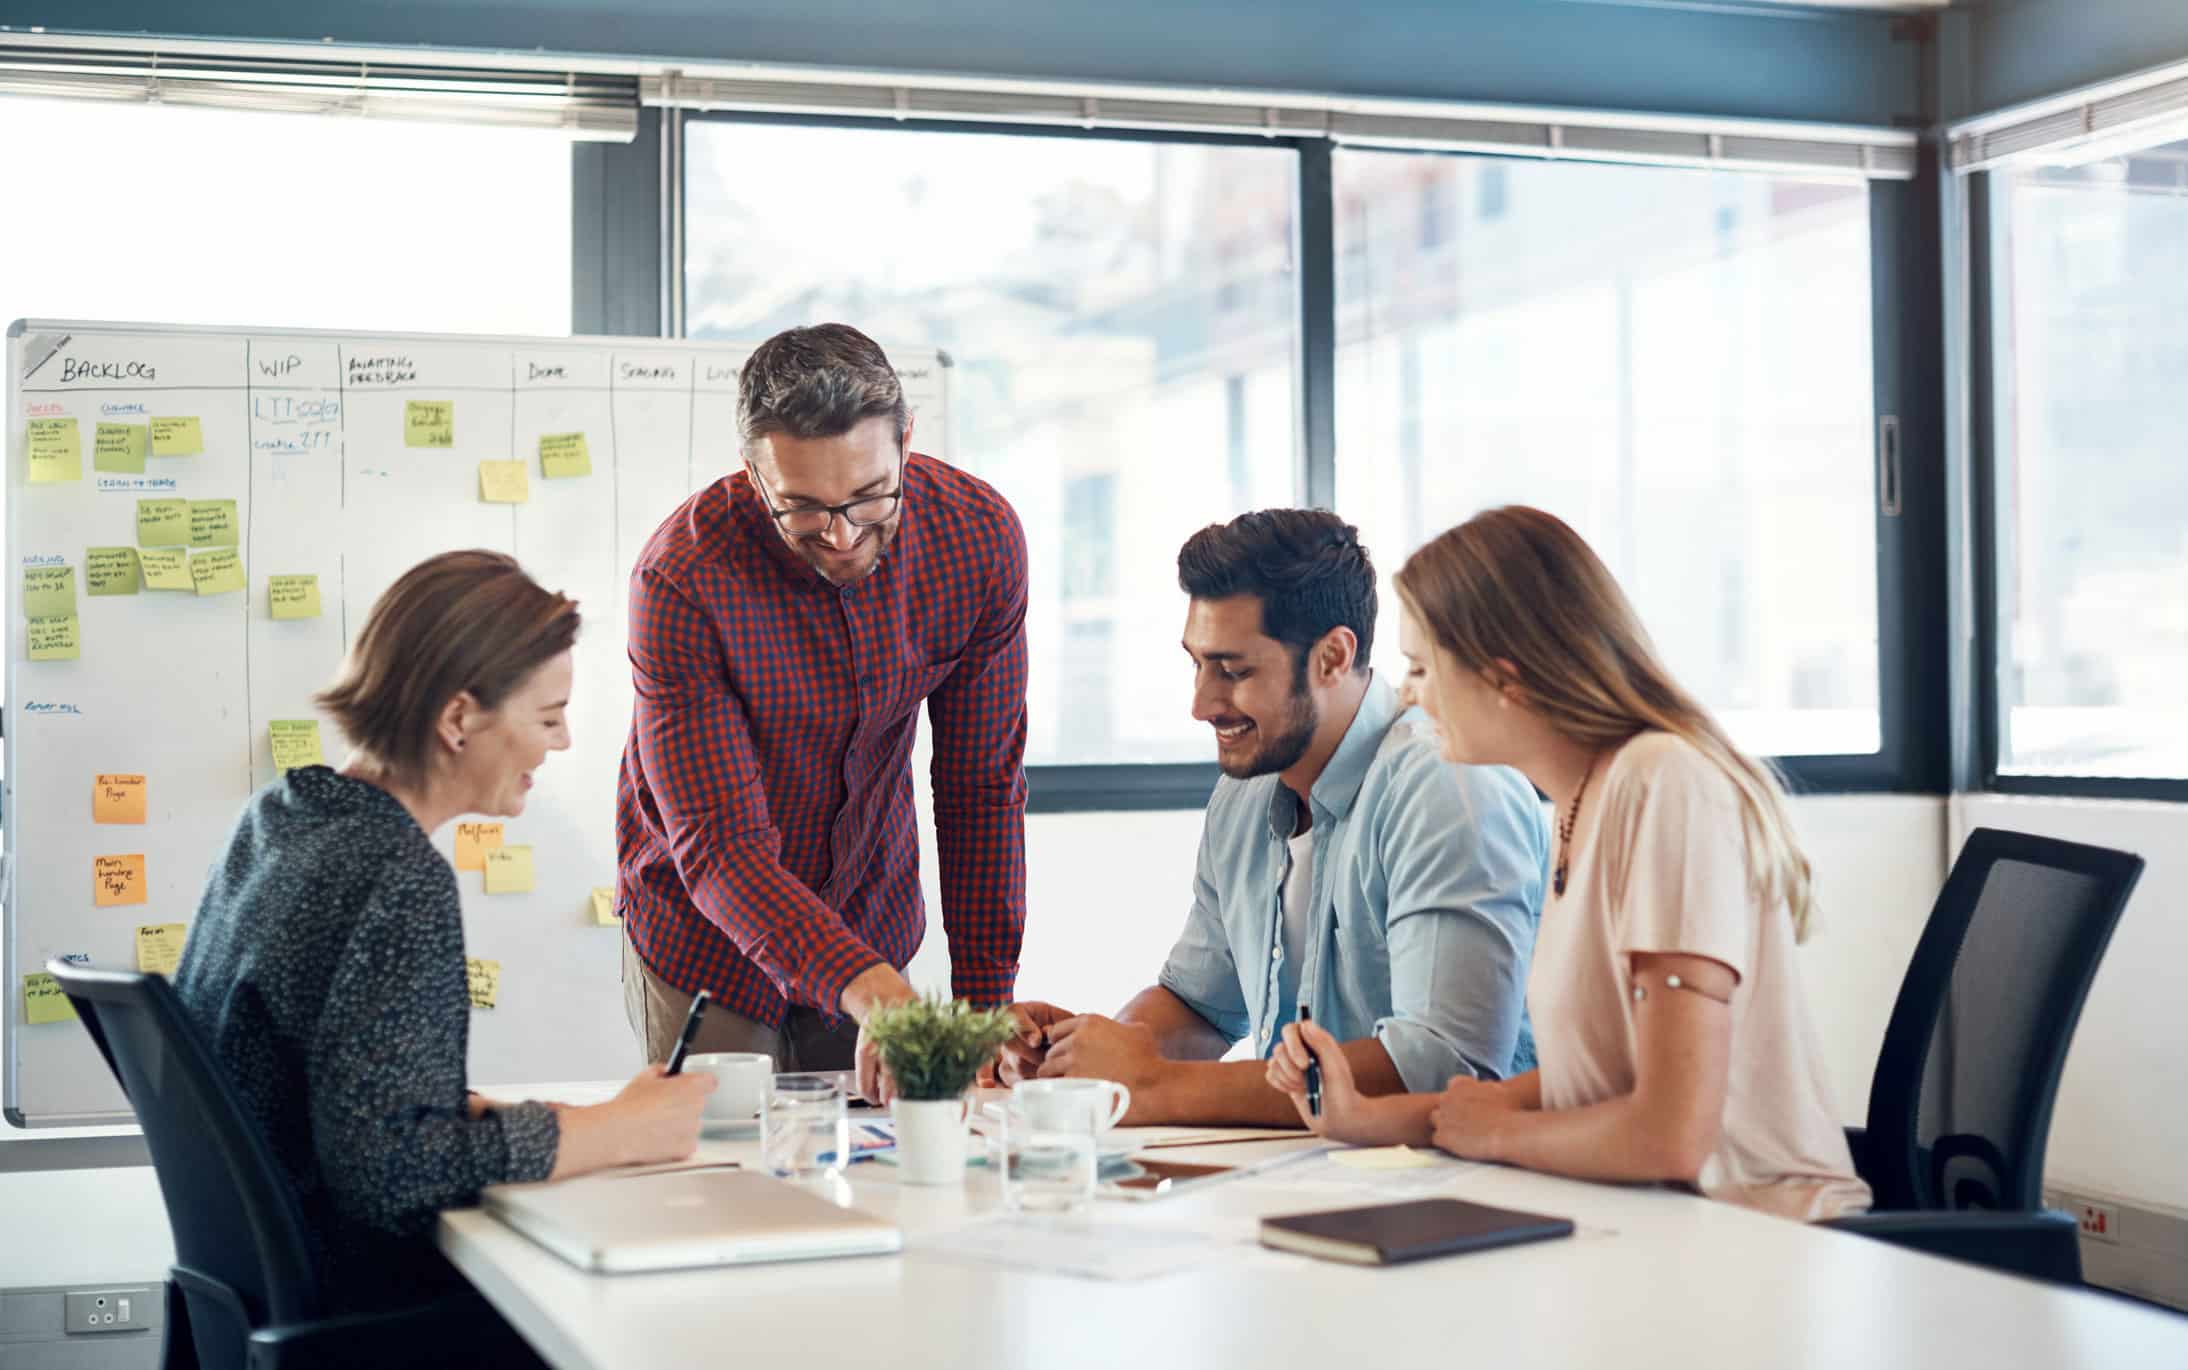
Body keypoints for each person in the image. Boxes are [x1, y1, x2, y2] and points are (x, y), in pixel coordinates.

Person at [1270, 506, 1871, 1221]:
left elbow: (1670, 1137)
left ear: (1506, 678)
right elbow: (1591, 1086)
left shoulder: (1662, 782)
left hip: (1762, 1231)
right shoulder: (1577, 803)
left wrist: (1497, 1133)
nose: (1408, 694)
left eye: (1423, 667)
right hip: (1659, 1224)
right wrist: (1362, 1118)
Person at [172, 550, 713, 1323]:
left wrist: (500, 1118)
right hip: (366, 1314)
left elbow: (341, 1101)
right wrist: (615, 1132)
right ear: (459, 718)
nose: (558, 745)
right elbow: (392, 1174)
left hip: (257, 1305)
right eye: (549, 717)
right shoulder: (395, 877)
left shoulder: (284, 820)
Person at [1000, 510, 1544, 1125]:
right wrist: (1085, 1058)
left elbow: (1442, 1064)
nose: (1201, 704)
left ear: (1333, 657)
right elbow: (1199, 1005)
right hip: (1311, 1175)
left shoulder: (1446, 784)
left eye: (1233, 671)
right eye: (1197, 664)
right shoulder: (1247, 791)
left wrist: (1153, 1086)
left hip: (1456, 1185)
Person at [616, 323, 1029, 1102]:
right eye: (801, 510)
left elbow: (982, 789)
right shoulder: (681, 579)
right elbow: (720, 849)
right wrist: (872, 990)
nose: (840, 536)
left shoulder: (977, 540)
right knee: (727, 1179)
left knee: (885, 1164)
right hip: (707, 935)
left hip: (872, 903)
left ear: (907, 440)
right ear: (752, 470)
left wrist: (984, 1006)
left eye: (871, 498)